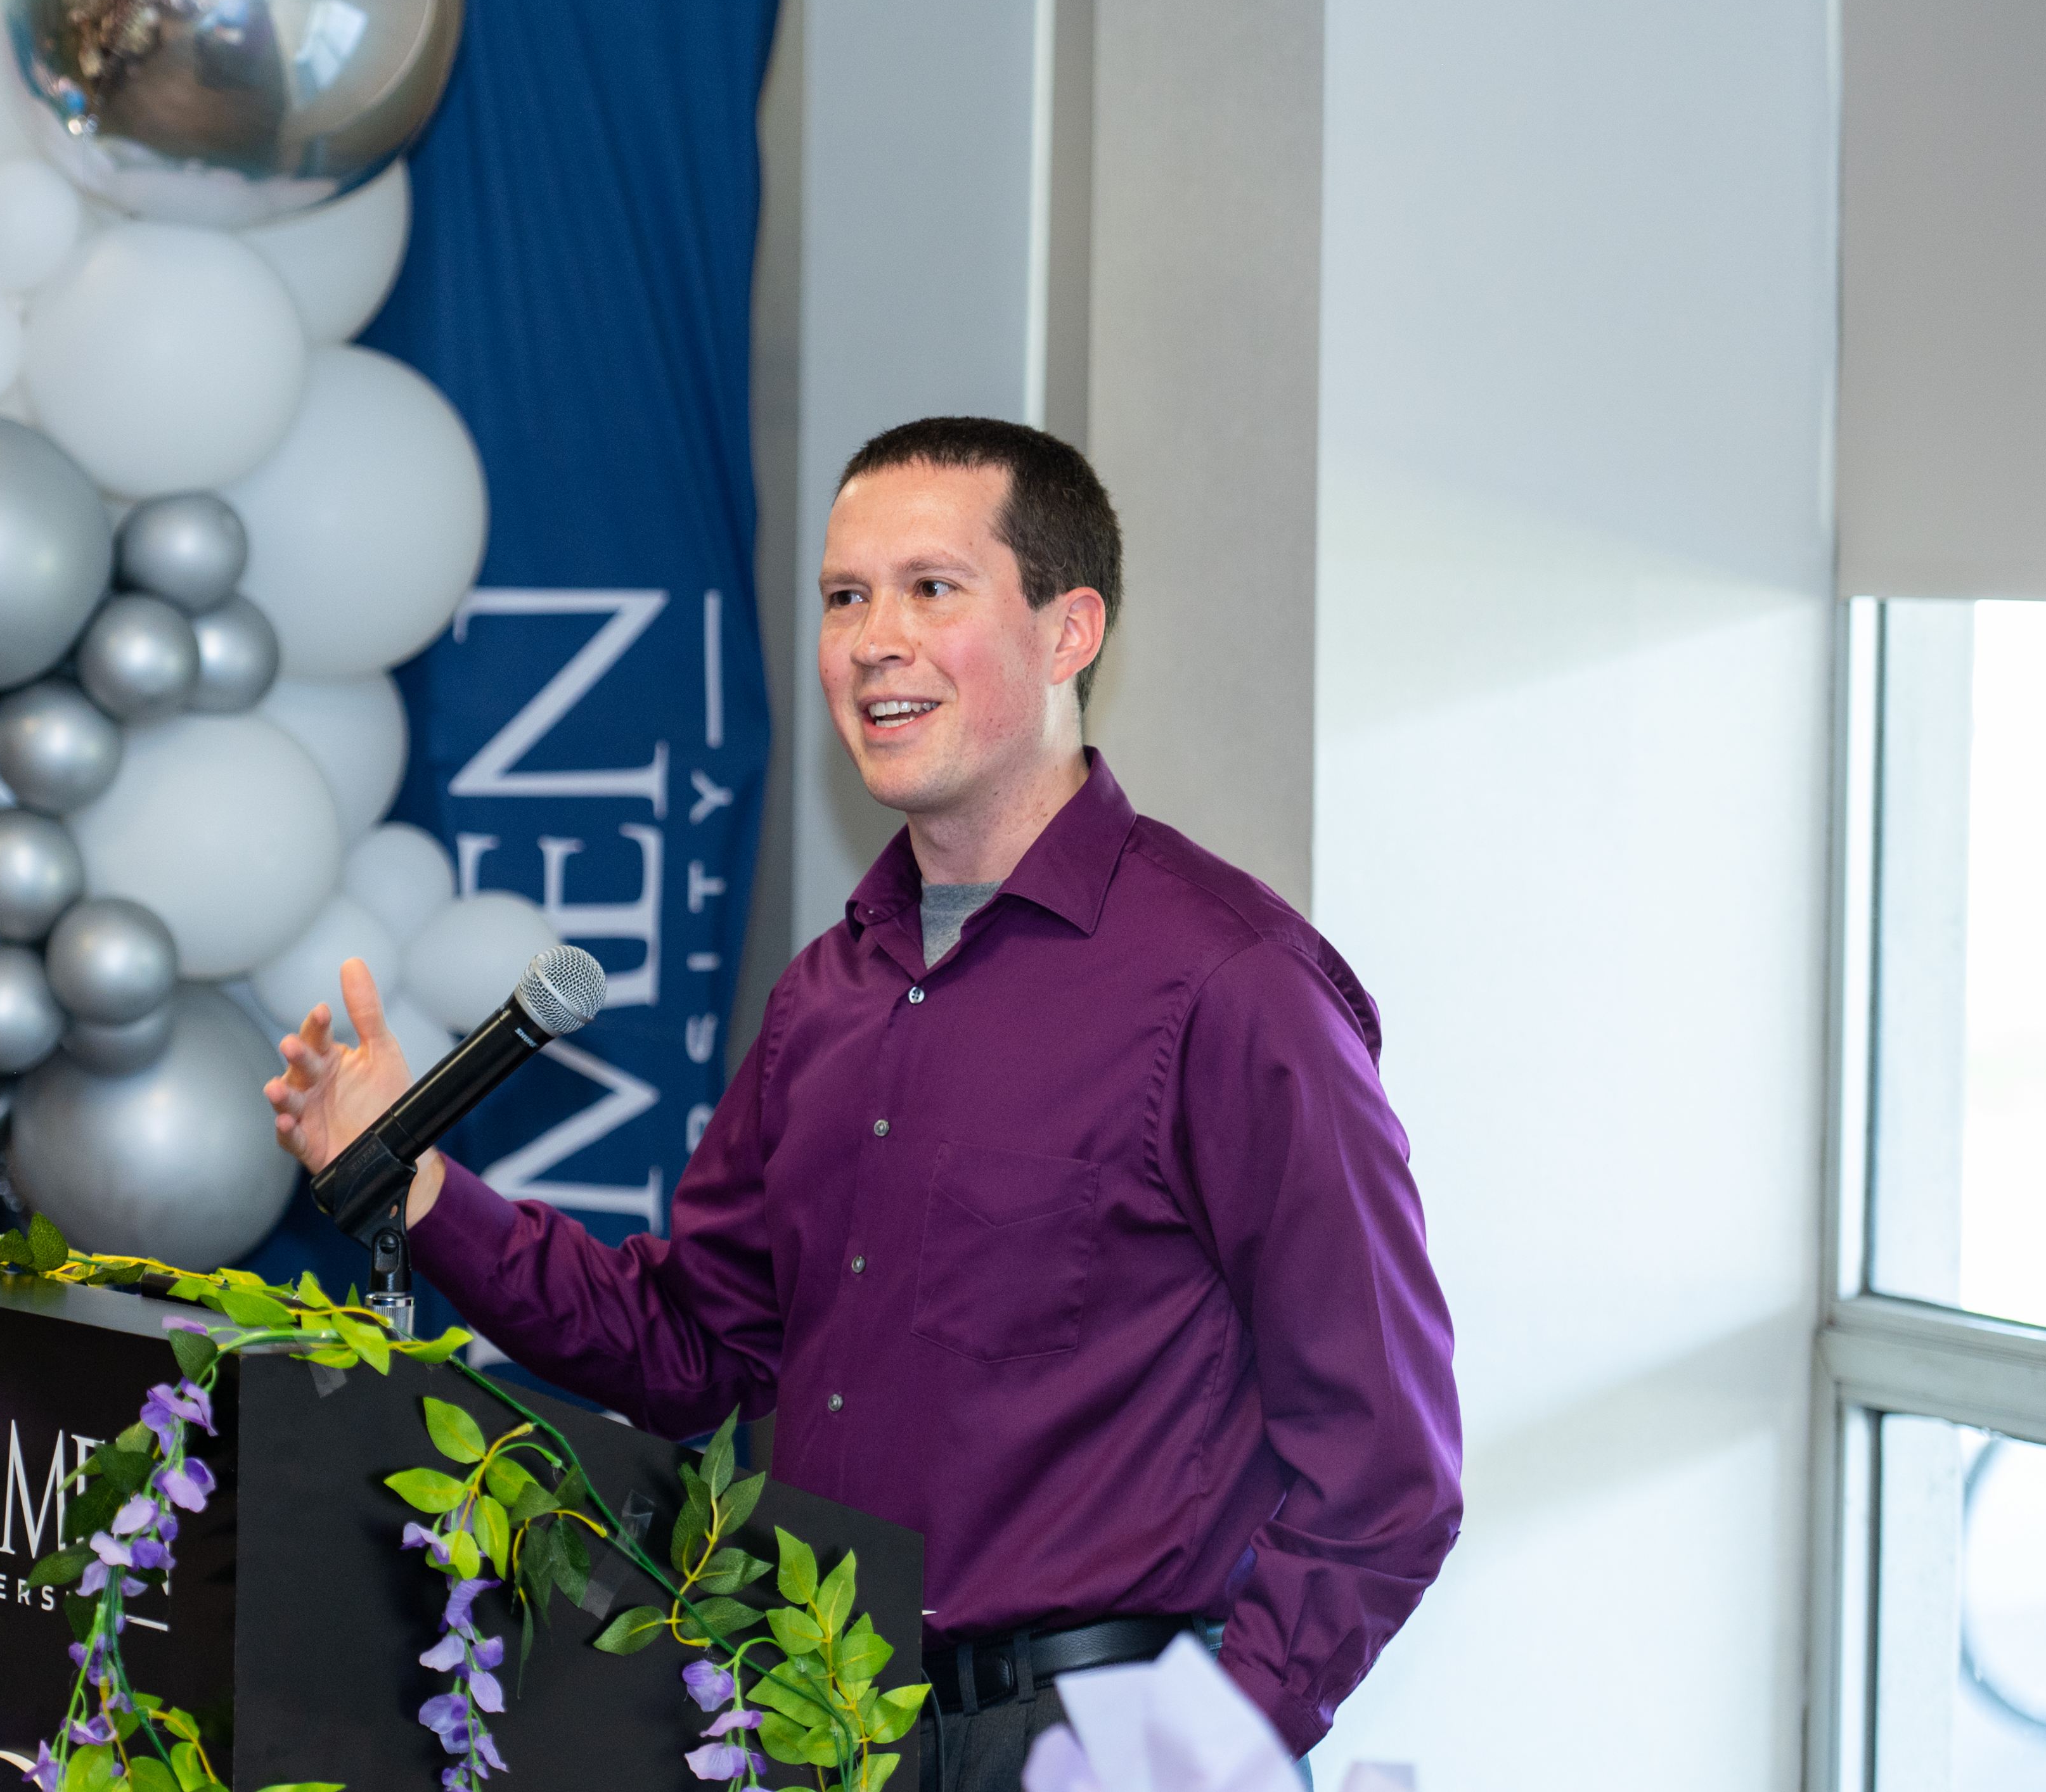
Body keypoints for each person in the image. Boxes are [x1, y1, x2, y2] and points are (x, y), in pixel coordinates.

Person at [266, 416, 1461, 1787]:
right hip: (818, 1724)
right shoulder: (827, 996)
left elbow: (1386, 1471)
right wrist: (416, 1184)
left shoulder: (1230, 986)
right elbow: (686, 1350)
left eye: (930, 589)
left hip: (1094, 1740)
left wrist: (1192, 1756)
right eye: (844, 597)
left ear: (1068, 629)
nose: (872, 639)